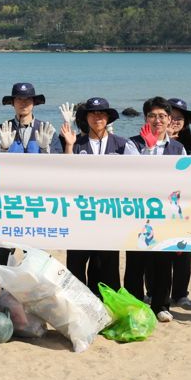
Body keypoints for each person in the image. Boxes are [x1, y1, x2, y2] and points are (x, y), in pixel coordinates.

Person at [60, 97, 138, 295]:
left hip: (109, 218)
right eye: (93, 113)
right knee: (76, 268)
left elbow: (138, 173)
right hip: (80, 217)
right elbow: (64, 176)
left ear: (108, 118)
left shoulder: (122, 144)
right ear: (86, 118)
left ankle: (108, 312)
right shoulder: (76, 144)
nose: (97, 117)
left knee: (107, 270)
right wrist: (69, 146)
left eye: (102, 113)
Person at [126, 96, 186, 323]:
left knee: (163, 261)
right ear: (145, 118)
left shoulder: (178, 147)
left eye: (162, 116)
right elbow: (134, 174)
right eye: (152, 115)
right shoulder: (133, 144)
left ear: (170, 119)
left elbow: (183, 182)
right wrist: (149, 148)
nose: (157, 120)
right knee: (136, 262)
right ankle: (134, 303)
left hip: (166, 214)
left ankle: (161, 304)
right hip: (138, 213)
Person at [0, 82, 59, 265]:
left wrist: (45, 149)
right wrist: (2, 148)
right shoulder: (2, 129)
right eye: (19, 99)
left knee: (36, 255)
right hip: (7, 202)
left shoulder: (46, 129)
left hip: (37, 202)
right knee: (3, 252)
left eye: (28, 99)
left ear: (34, 103)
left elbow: (59, 166)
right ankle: (3, 290)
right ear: (12, 102)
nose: (23, 103)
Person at [165, 98, 191, 308]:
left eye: (180, 118)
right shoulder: (152, 142)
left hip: (185, 206)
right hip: (160, 205)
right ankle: (155, 291)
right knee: (158, 252)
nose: (175, 121)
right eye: (172, 117)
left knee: (183, 251)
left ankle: (180, 293)